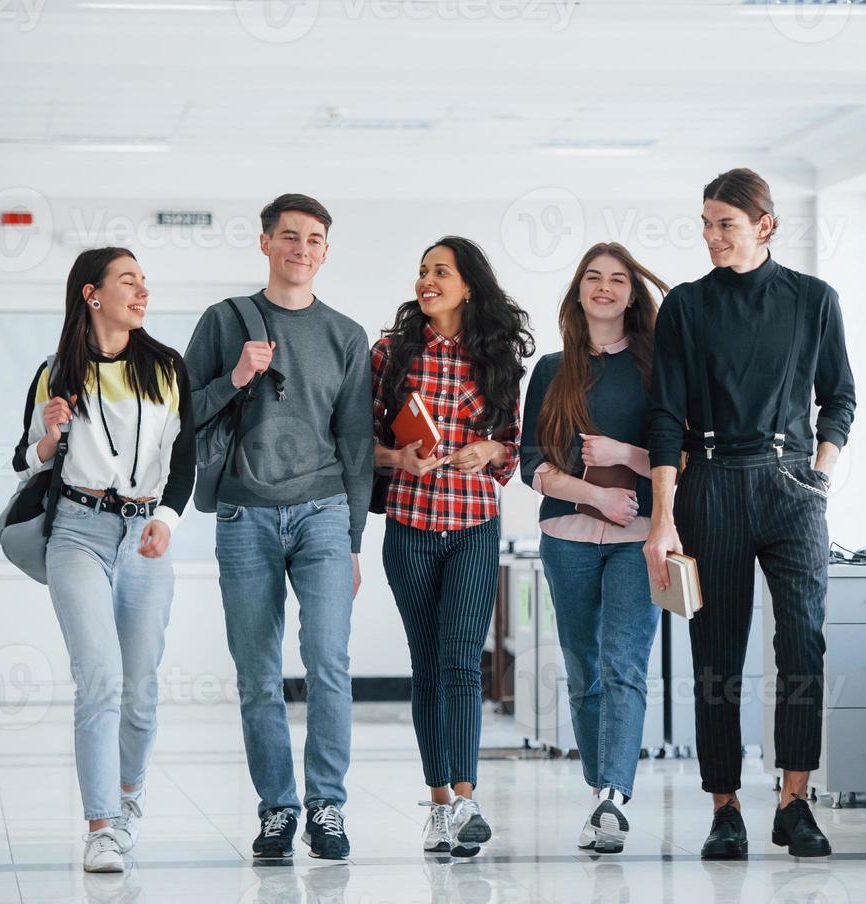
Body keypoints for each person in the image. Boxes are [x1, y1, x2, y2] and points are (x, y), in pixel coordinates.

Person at [643, 168, 857, 859]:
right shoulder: (685, 306)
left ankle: (795, 801)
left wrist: (819, 478)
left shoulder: (814, 300)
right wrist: (663, 517)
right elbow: (666, 416)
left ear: (764, 225)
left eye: (725, 224)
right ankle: (725, 806)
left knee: (802, 644)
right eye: (705, 223)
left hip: (793, 488)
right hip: (710, 484)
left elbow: (841, 399)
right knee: (718, 654)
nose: (711, 237)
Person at [183, 194, 375, 860]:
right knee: (257, 673)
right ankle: (277, 810)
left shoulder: (347, 335)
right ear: (265, 243)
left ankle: (326, 805)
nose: (301, 248)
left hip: (323, 513)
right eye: (289, 236)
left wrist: (352, 542)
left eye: (314, 239)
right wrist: (236, 376)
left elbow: (355, 442)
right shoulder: (224, 321)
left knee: (329, 661)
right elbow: (184, 416)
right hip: (244, 515)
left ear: (326, 251)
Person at [13, 246, 195, 873]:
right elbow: (25, 458)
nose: (142, 292)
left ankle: (127, 796)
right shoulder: (56, 371)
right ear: (92, 294)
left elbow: (184, 461)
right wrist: (50, 434)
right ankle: (100, 826)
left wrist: (166, 523)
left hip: (146, 530)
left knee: (140, 691)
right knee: (99, 679)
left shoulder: (167, 367)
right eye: (128, 281)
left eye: (145, 281)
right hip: (78, 533)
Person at [371, 236, 532, 858]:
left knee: (464, 662)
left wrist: (490, 450)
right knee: (428, 666)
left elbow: (512, 447)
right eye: (422, 271)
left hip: (472, 525)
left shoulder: (496, 358)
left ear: (469, 286)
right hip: (410, 524)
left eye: (441, 271)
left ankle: (465, 801)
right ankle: (438, 803)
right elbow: (362, 445)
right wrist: (397, 458)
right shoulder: (390, 353)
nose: (427, 280)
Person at [520, 243, 668, 854]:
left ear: (633, 294)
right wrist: (593, 493)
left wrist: (621, 456)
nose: (604, 288)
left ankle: (613, 795)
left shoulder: (658, 367)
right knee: (583, 667)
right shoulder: (553, 369)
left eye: (617, 280)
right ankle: (597, 788)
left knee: (623, 662)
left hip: (641, 538)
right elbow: (532, 460)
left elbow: (678, 456)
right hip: (567, 537)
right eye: (593, 278)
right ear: (579, 291)